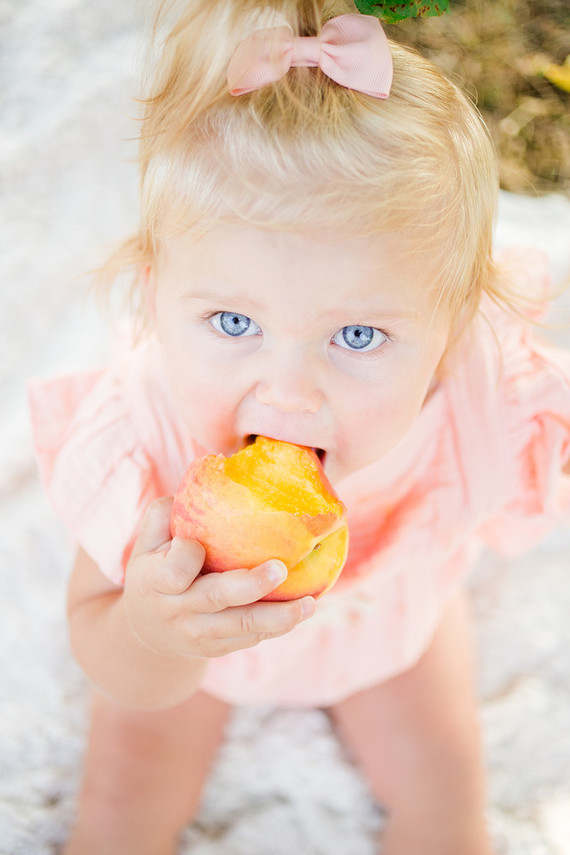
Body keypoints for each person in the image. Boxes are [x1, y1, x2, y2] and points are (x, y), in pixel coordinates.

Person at [28, 1, 570, 853]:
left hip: (393, 626)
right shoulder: (143, 438)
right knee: (119, 813)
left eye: (358, 336)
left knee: (449, 810)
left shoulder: (479, 397)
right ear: (152, 296)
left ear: (454, 330)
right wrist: (152, 630)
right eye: (233, 323)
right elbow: (100, 640)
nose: (287, 392)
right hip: (197, 666)